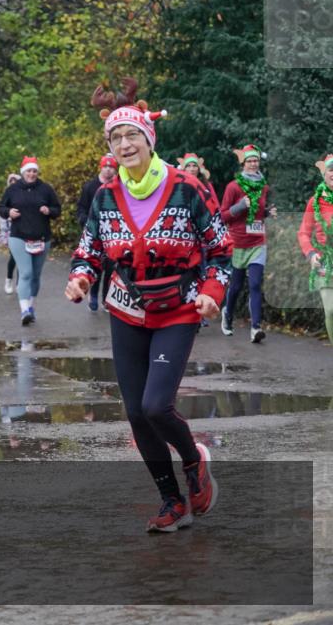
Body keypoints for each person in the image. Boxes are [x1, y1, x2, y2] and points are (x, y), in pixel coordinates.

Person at [67, 78, 230, 533]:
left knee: (157, 405)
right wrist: (81, 277)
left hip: (178, 308)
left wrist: (212, 294)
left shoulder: (187, 188)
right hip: (126, 311)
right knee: (136, 412)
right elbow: (89, 250)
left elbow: (220, 251)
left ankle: (195, 460)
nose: (123, 143)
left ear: (148, 139)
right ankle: (172, 502)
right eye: (115, 138)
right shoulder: (105, 197)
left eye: (131, 135)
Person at [220, 144, 276, 343]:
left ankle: (255, 328)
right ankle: (227, 316)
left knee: (254, 284)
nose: (253, 164)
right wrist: (240, 206)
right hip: (237, 242)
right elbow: (223, 215)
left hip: (258, 242)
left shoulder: (263, 186)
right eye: (250, 161)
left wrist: (268, 213)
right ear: (243, 163)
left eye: (256, 161)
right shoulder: (233, 187)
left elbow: (259, 212)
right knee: (235, 288)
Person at [0, 156, 62, 324]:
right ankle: (24, 309)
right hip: (18, 236)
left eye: (34, 171)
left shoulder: (46, 189)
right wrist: (8, 212)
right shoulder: (13, 189)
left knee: (35, 275)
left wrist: (49, 210)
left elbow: (57, 209)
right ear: (23, 172)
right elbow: (1, 208)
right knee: (25, 273)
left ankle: (30, 306)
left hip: (42, 237)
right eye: (29, 171)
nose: (32, 174)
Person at [177, 153, 217, 327]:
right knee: (186, 274)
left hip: (202, 239)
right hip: (182, 239)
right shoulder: (177, 186)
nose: (192, 169)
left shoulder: (206, 186)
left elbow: (215, 208)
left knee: (201, 273)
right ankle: (187, 310)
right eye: (189, 166)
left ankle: (199, 311)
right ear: (183, 169)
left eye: (194, 166)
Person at [298, 154, 333, 343]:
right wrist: (311, 254)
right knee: (331, 310)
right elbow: (303, 233)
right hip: (325, 260)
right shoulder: (315, 201)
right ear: (324, 173)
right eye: (331, 169)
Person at [76, 154, 118, 311]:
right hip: (94, 233)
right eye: (106, 167)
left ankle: (107, 298)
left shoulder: (118, 186)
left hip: (112, 234)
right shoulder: (90, 186)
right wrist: (84, 219)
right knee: (97, 267)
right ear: (101, 167)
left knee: (111, 268)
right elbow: (81, 207)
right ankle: (93, 296)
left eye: (111, 167)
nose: (108, 170)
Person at [0, 173, 19, 294]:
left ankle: (20, 283)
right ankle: (9, 279)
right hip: (11, 233)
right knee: (14, 257)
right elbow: (2, 217)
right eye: (11, 184)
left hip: (25, 232)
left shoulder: (25, 198)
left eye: (15, 183)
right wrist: (4, 235)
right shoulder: (7, 199)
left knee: (23, 259)